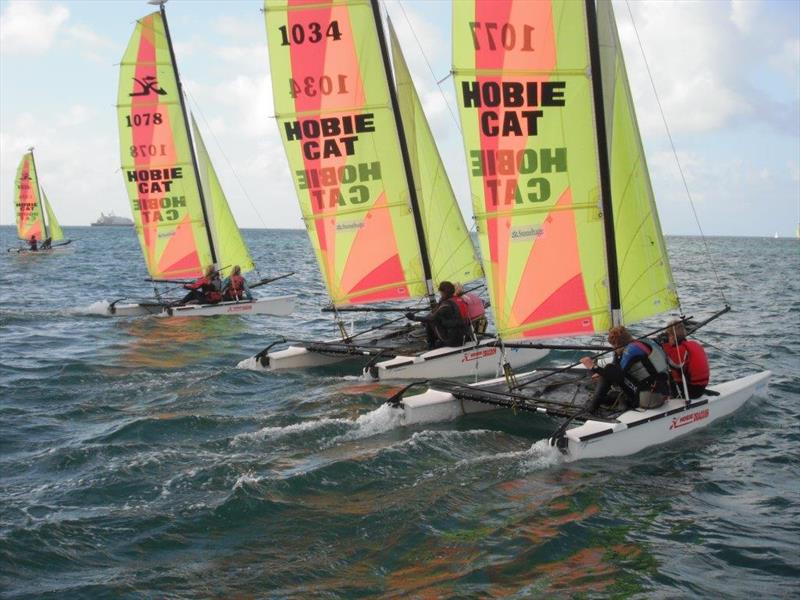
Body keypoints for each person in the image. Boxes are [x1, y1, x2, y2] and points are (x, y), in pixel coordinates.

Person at [580, 325, 671, 413]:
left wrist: (593, 367)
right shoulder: (642, 342)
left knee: (609, 370)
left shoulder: (630, 350)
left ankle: (592, 408)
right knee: (608, 371)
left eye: (613, 346)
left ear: (616, 343)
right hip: (663, 391)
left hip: (649, 399)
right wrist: (601, 372)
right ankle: (618, 399)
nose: (614, 349)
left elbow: (616, 376)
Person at [405, 281, 470, 349]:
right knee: (433, 318)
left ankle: (431, 345)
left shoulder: (446, 305)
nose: (440, 294)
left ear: (443, 292)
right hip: (464, 335)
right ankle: (436, 342)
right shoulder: (458, 300)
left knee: (430, 321)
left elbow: (432, 318)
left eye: (440, 293)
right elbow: (436, 312)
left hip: (453, 341)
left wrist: (414, 318)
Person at [661, 319, 710, 399]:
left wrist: (665, 344)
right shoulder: (693, 344)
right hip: (700, 387)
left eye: (668, 335)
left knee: (664, 375)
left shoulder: (680, 350)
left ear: (672, 336)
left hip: (691, 391)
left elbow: (674, 364)